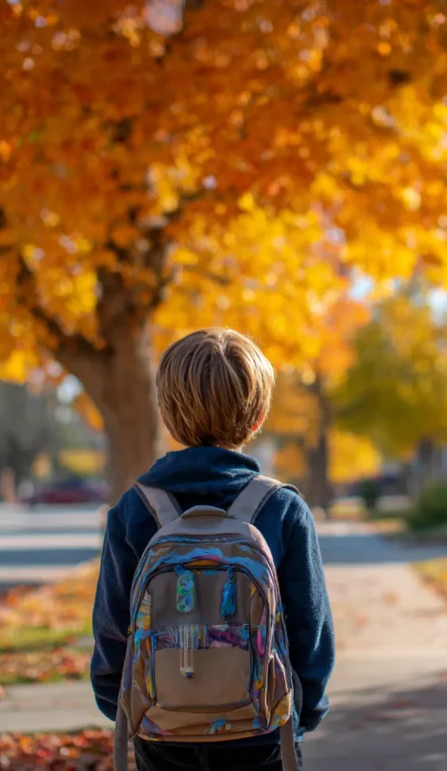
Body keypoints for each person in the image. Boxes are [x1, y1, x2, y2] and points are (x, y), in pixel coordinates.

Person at [91, 328, 335, 771]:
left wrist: (126, 707)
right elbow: (310, 629)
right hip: (262, 727)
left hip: (161, 727)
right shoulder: (282, 509)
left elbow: (112, 628)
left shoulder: (134, 510)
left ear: (167, 414)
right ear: (258, 415)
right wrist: (302, 711)